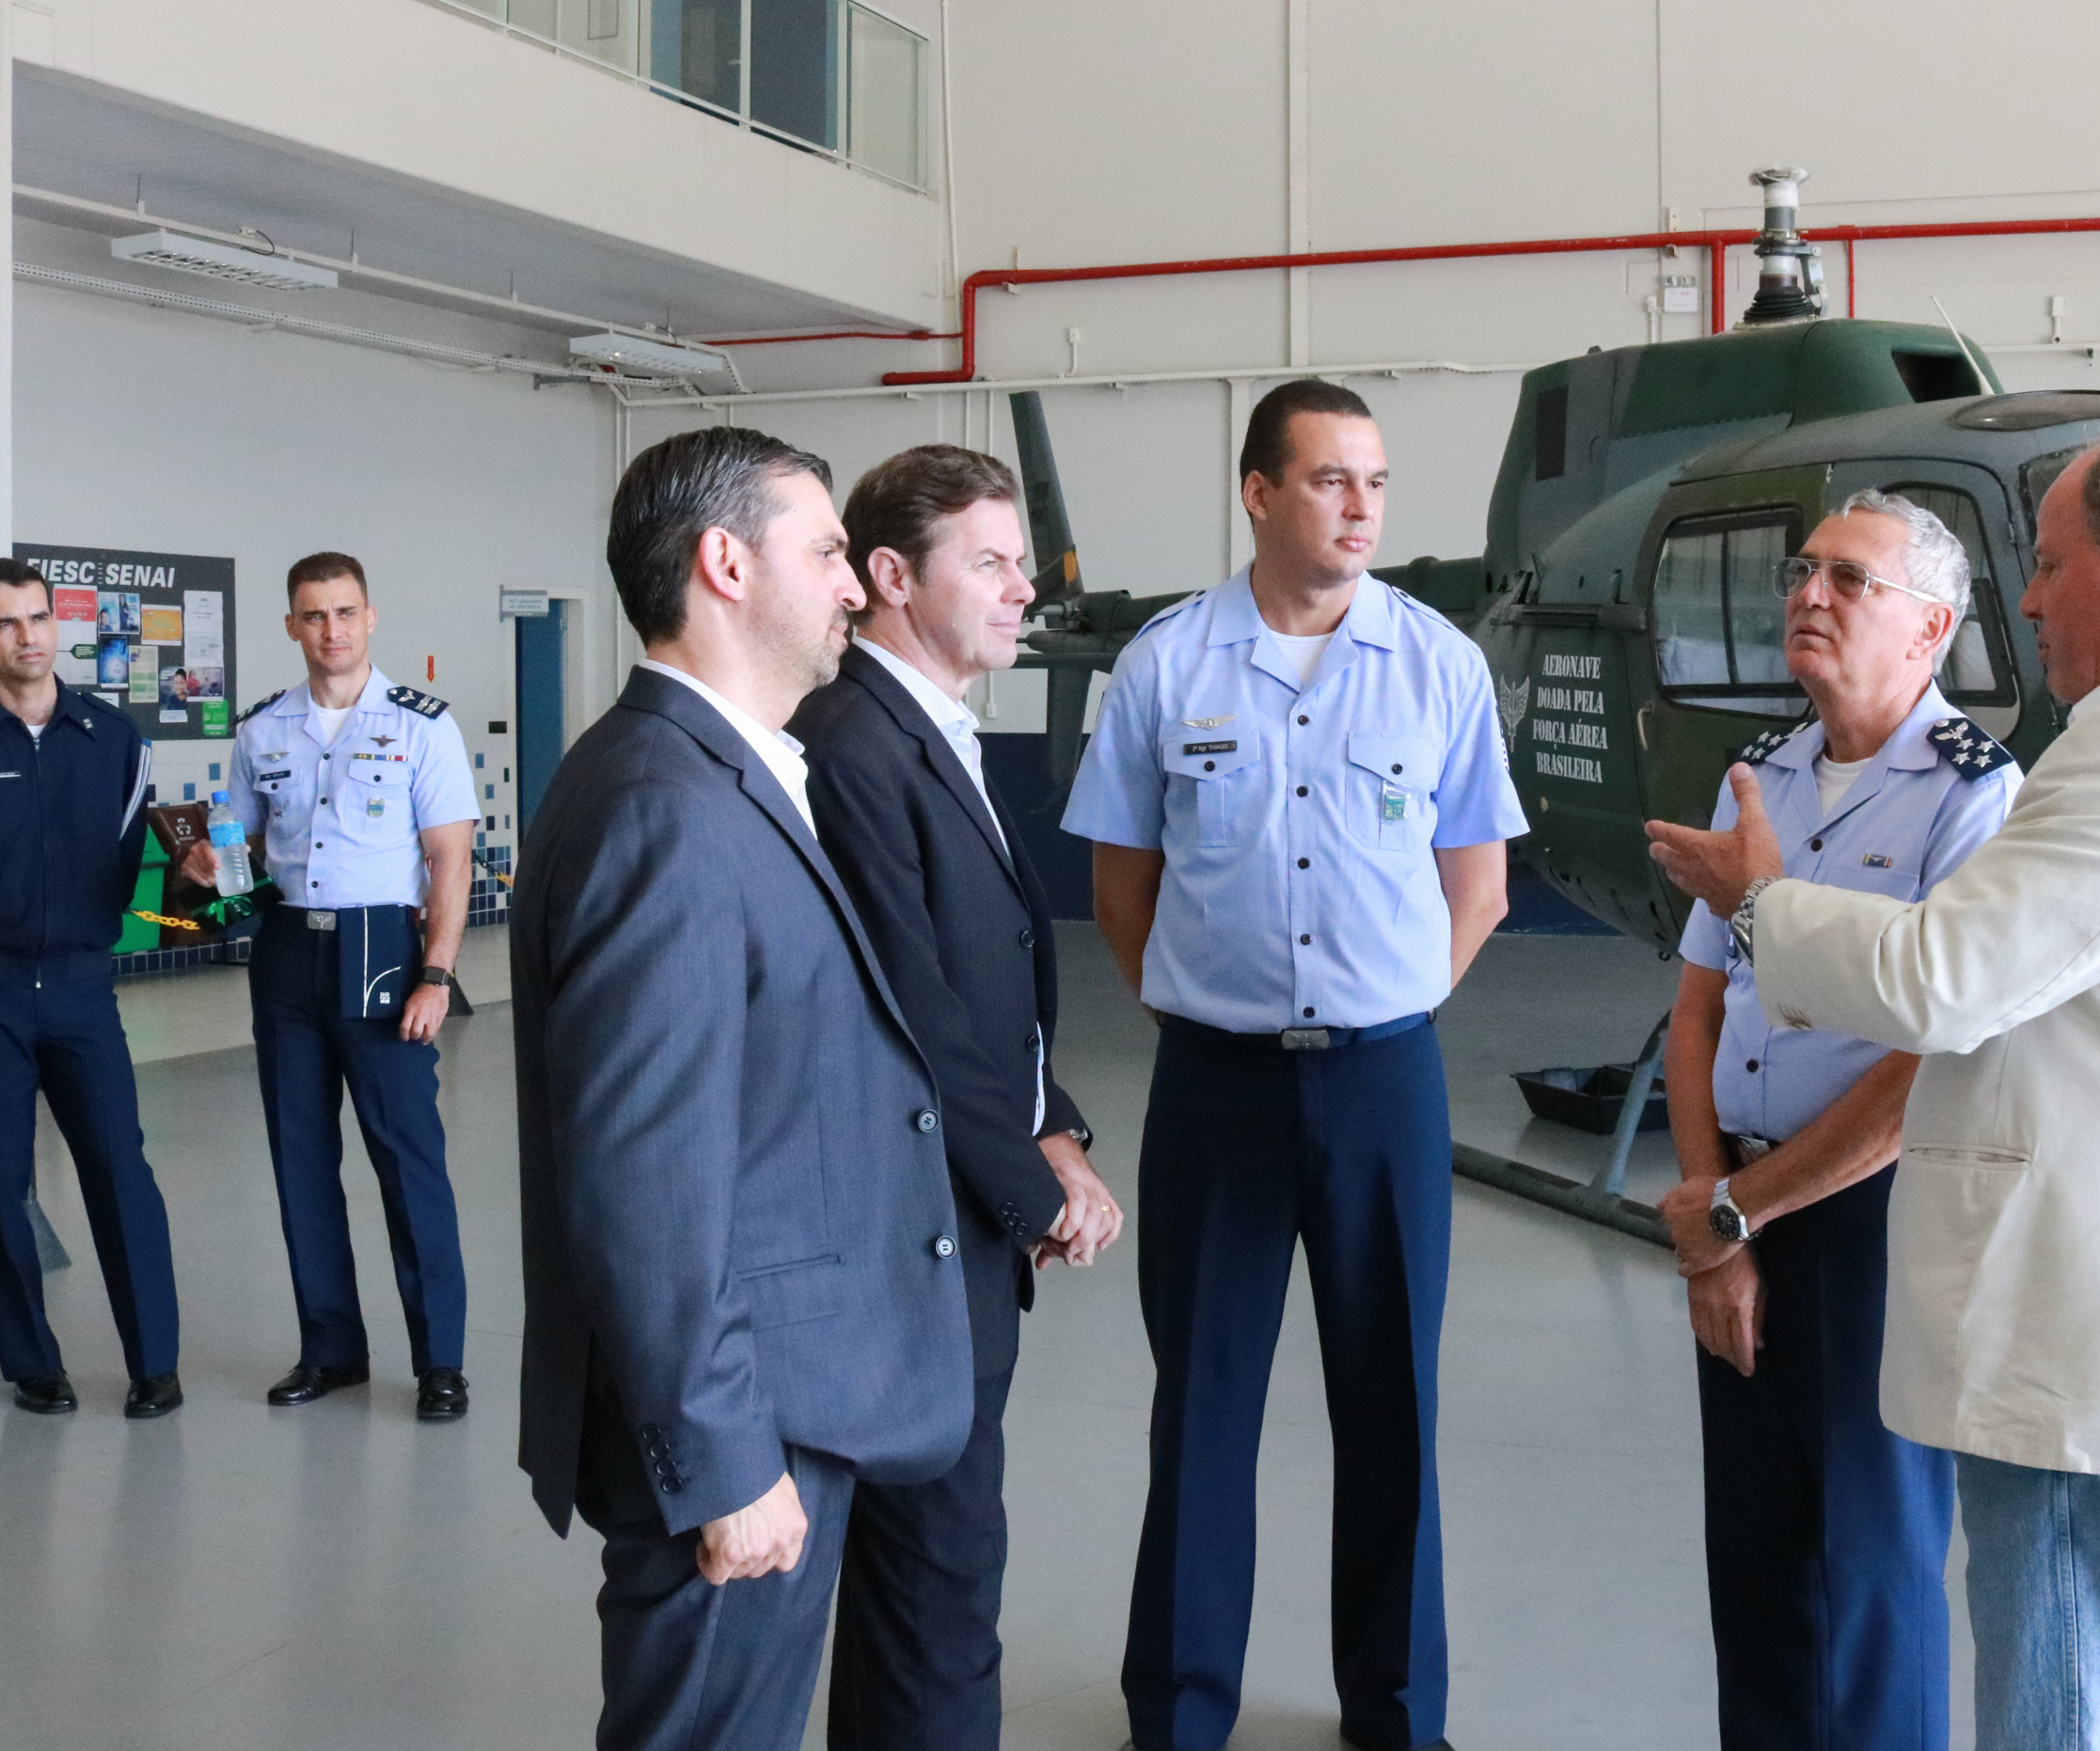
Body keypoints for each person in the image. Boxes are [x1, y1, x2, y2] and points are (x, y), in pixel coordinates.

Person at [1646, 423, 2100, 1751]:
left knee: (2074, 1713)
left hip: (2099, 1349)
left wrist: (1760, 900)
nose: (2029, 600)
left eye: (2048, 565)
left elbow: (1940, 981)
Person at [1064, 378, 1529, 1751]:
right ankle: (1178, 1711)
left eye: (1375, 482)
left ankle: (1398, 1713)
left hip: (1386, 1082)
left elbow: (1480, 888)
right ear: (1259, 493)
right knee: (1201, 1406)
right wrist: (1214, 1014)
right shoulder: (1166, 666)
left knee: (1394, 1406)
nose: (1361, 507)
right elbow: (1120, 889)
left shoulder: (1438, 663)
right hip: (1217, 1088)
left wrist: (1386, 1006)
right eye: (1331, 479)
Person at [513, 426, 975, 1751]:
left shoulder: (723, 772)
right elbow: (645, 1178)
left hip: (786, 1388)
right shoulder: (664, 805)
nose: (855, 583)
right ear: (726, 562)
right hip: (743, 1422)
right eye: (827, 550)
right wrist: (723, 1460)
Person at [1655, 493, 2020, 1750]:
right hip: (1736, 1204)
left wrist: (1735, 1212)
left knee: (1867, 1564)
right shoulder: (1758, 775)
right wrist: (1713, 1214)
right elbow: (1698, 1005)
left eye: (1850, 579)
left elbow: (1932, 1062)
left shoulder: (1973, 795)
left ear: (1931, 626)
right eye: (1804, 570)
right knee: (1756, 1562)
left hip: (1871, 1217)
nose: (1810, 593)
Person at [788, 444, 1126, 1751]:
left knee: (936, 1584)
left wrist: (1054, 1124)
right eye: (988, 563)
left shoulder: (926, 729)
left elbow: (988, 992)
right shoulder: (852, 743)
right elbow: (912, 1011)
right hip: (907, 1243)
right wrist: (1034, 1186)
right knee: (933, 1591)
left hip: (956, 1224)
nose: (1022, 589)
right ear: (891, 575)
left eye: (1019, 563)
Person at [182, 552, 477, 1420]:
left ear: (370, 618)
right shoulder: (262, 730)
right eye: (314, 615)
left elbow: (450, 860)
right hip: (286, 954)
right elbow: (238, 850)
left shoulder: (421, 725)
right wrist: (208, 871)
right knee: (300, 1160)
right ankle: (331, 1348)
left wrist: (436, 974)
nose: (331, 630)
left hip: (381, 950)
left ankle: (441, 1362)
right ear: (292, 626)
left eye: (345, 612)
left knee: (408, 1161)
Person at [0, 557, 182, 1418]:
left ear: (57, 625)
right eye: (5, 623)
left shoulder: (113, 738)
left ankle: (155, 1363)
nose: (28, 637)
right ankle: (32, 1364)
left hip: (84, 991)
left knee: (122, 1171)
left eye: (39, 617)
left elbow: (126, 858)